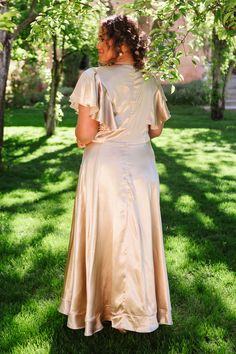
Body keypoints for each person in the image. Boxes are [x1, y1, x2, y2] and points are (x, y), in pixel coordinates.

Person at [58, 14, 173, 336]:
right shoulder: (150, 79)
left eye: (102, 38)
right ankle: (135, 313)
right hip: (141, 165)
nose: (97, 45)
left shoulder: (93, 78)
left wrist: (97, 136)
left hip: (104, 167)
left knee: (104, 233)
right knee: (135, 235)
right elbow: (156, 130)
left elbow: (83, 135)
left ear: (120, 43)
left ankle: (98, 309)